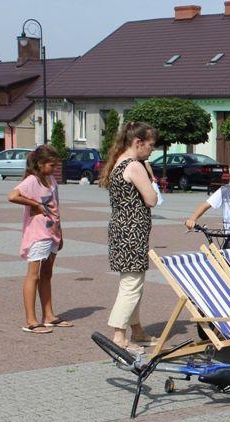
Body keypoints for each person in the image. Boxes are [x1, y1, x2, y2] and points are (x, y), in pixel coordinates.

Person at [99, 121, 160, 353]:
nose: (151, 150)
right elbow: (151, 200)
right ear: (138, 142)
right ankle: (119, 336)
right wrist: (151, 182)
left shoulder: (118, 162)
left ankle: (137, 331)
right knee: (131, 285)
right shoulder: (134, 166)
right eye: (150, 145)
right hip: (132, 232)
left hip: (122, 229)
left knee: (134, 281)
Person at [7, 145, 72, 334]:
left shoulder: (50, 179)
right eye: (52, 165)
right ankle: (31, 320)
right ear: (40, 164)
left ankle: (49, 316)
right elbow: (12, 196)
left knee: (47, 274)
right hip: (38, 233)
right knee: (33, 275)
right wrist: (34, 204)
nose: (55, 168)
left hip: (52, 232)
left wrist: (60, 233)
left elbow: (56, 206)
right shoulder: (32, 180)